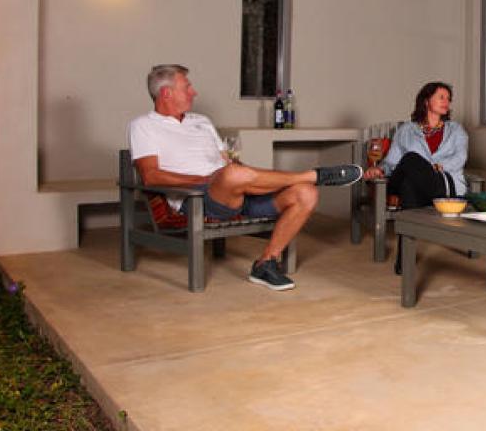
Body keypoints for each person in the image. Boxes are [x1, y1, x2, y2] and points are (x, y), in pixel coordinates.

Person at [128, 65, 362, 292]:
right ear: (166, 93)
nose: (194, 92)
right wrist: (209, 179)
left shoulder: (201, 121)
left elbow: (226, 160)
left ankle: (265, 264)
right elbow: (151, 175)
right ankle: (314, 175)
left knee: (306, 193)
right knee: (232, 174)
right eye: (187, 87)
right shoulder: (143, 126)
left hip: (234, 191)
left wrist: (234, 172)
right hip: (198, 199)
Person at [363, 81, 468, 208]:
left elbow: (460, 158)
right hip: (417, 188)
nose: (446, 102)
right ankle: (411, 218)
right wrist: (379, 169)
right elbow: (391, 162)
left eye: (448, 99)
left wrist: (435, 167)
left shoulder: (456, 130)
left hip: (444, 185)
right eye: (441, 97)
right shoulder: (405, 130)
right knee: (410, 165)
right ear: (426, 101)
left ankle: (404, 216)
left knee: (409, 170)